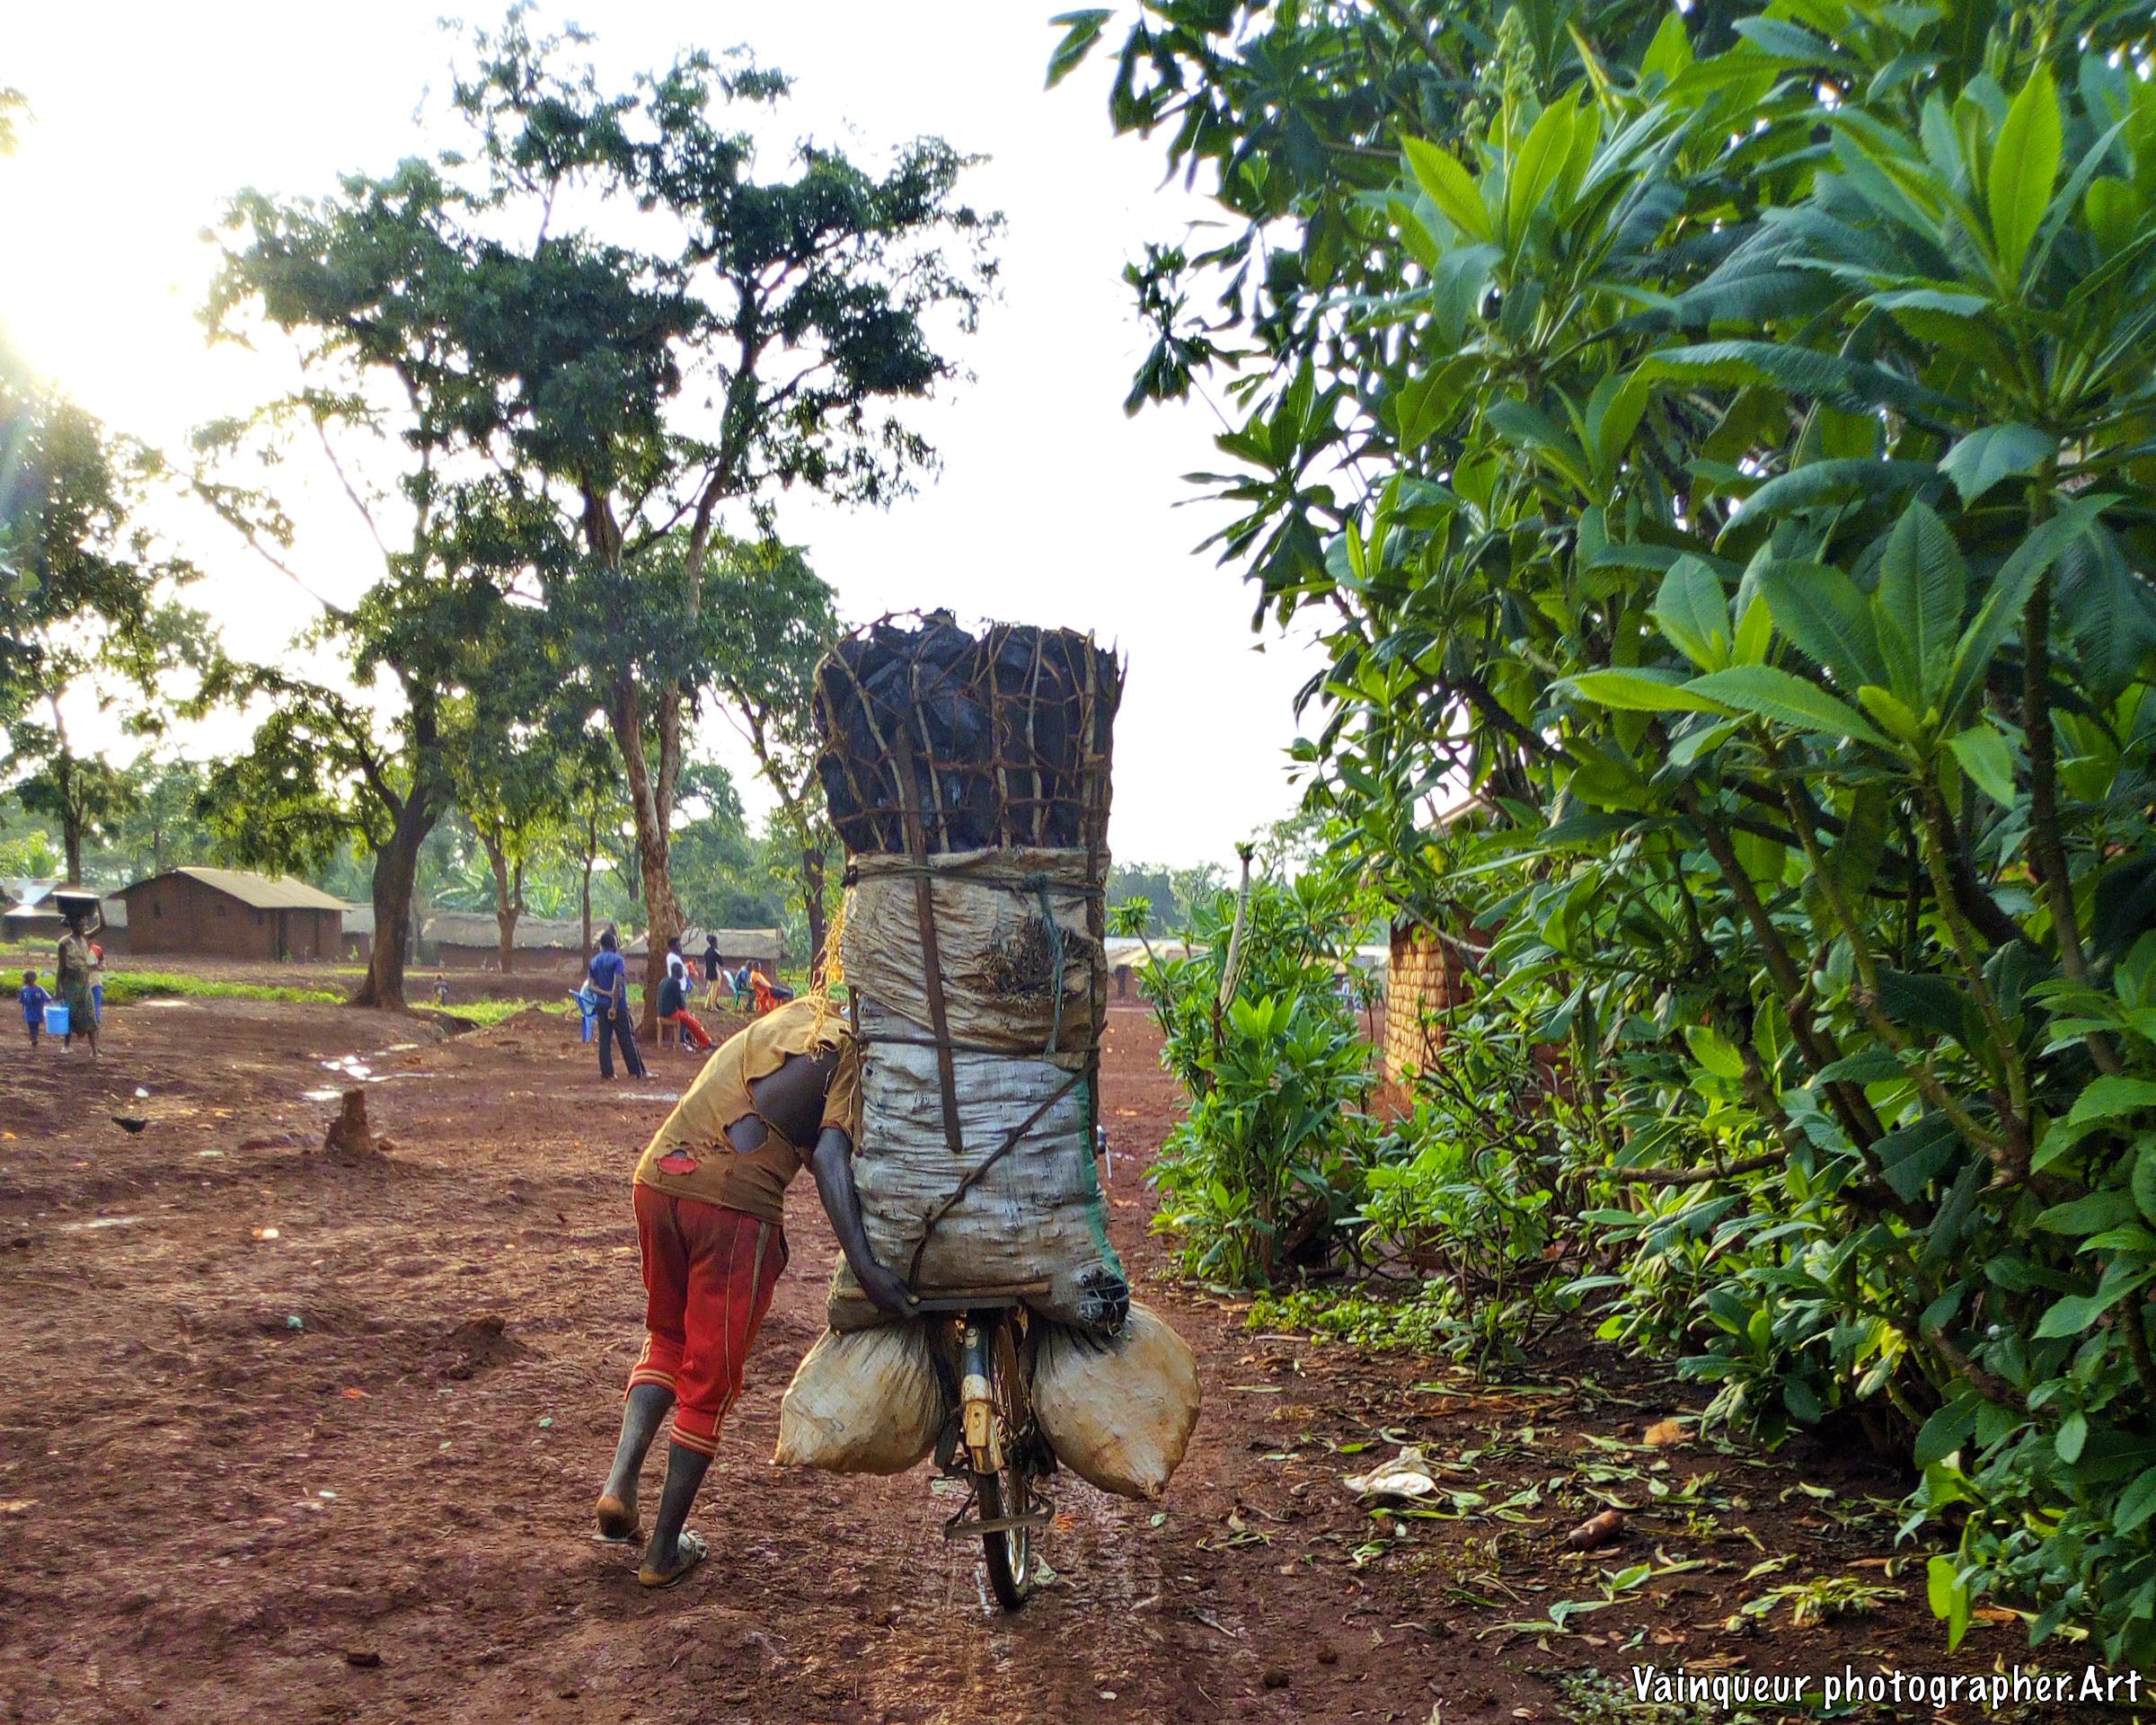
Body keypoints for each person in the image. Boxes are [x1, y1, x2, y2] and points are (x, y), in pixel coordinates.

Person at [593, 996, 915, 1588]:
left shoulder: (794, 1018)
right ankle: (663, 1552)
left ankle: (619, 1488)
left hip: (658, 1176)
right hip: (732, 1205)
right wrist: (867, 1268)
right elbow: (829, 1156)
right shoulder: (851, 1049)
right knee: (709, 1378)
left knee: (667, 1337)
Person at [588, 929, 646, 1081]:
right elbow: (618, 983)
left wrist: (605, 993)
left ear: (601, 945)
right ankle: (636, 1071)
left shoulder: (594, 962)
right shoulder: (617, 960)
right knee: (626, 1038)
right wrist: (614, 1003)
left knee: (604, 1040)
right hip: (617, 1006)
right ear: (614, 945)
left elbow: (591, 986)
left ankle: (607, 1073)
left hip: (601, 1004)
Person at [56, 907, 100, 1057]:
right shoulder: (64, 943)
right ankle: (66, 1045)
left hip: (83, 981)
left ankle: (94, 1050)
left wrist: (99, 905)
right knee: (70, 1013)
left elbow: (103, 925)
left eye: (84, 925)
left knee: (90, 1014)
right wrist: (58, 989)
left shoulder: (85, 938)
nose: (83, 927)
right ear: (73, 925)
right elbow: (61, 967)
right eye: (81, 925)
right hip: (70, 983)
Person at [655, 964, 716, 1053]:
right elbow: (680, 1003)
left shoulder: (663, 981)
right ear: (679, 972)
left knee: (687, 1018)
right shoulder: (675, 983)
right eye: (682, 971)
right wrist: (683, 1008)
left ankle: (694, 1040)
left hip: (661, 1011)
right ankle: (706, 1042)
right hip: (670, 1013)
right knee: (692, 1021)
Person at [20, 970, 50, 1048]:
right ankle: (34, 1036)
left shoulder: (25, 989)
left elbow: (22, 1001)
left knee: (32, 1024)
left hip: (30, 1011)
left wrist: (23, 1011)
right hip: (37, 1011)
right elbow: (48, 999)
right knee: (34, 1024)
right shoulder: (39, 989)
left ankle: (33, 1036)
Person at [700, 934, 724, 1009]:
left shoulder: (706, 952)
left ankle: (707, 1005)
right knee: (714, 990)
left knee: (710, 989)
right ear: (715, 942)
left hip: (708, 972)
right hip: (715, 972)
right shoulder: (715, 952)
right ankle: (713, 1006)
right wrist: (719, 953)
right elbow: (721, 963)